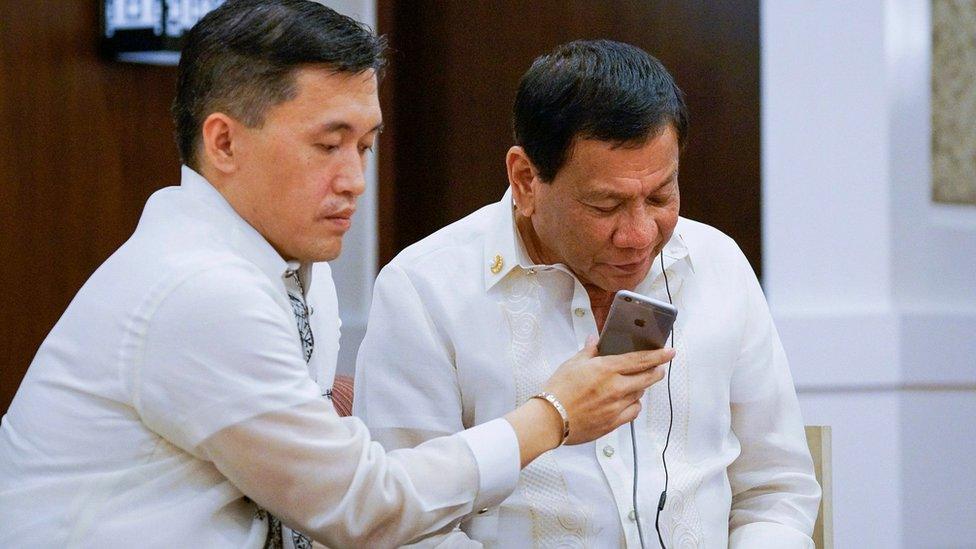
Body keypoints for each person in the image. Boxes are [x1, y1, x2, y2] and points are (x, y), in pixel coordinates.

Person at [0, 5, 672, 547]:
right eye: (328, 144)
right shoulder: (200, 287)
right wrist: (552, 415)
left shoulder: (290, 265)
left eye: (366, 144)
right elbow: (364, 509)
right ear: (224, 142)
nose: (354, 180)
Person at [355, 40, 821, 548]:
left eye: (661, 196)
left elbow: (776, 490)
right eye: (605, 206)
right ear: (525, 179)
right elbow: (402, 529)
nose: (640, 234)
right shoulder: (425, 291)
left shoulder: (718, 264)